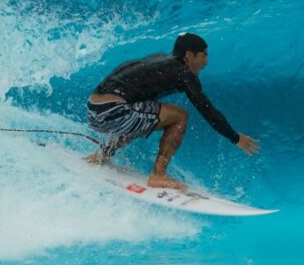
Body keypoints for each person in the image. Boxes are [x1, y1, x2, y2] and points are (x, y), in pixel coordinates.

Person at [86, 32, 259, 190]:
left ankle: (101, 155)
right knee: (179, 116)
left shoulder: (157, 60)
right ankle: (158, 175)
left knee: (146, 117)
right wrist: (235, 138)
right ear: (189, 55)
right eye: (204, 55)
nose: (206, 62)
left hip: (94, 110)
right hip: (113, 111)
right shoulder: (183, 72)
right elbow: (207, 110)